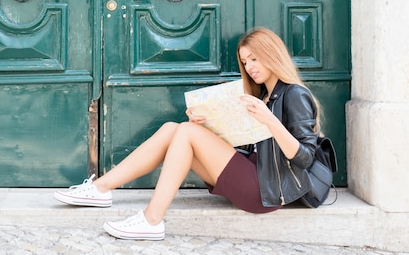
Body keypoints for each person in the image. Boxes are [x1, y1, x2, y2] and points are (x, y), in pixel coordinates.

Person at [53, 28, 321, 240]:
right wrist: (207, 124)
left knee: (186, 133)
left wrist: (270, 121)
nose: (249, 66)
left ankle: (151, 220)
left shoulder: (294, 94)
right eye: (244, 61)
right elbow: (244, 142)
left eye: (254, 58)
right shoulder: (262, 94)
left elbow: (306, 158)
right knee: (175, 129)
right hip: (252, 173)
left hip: (267, 190)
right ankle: (101, 189)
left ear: (272, 54)